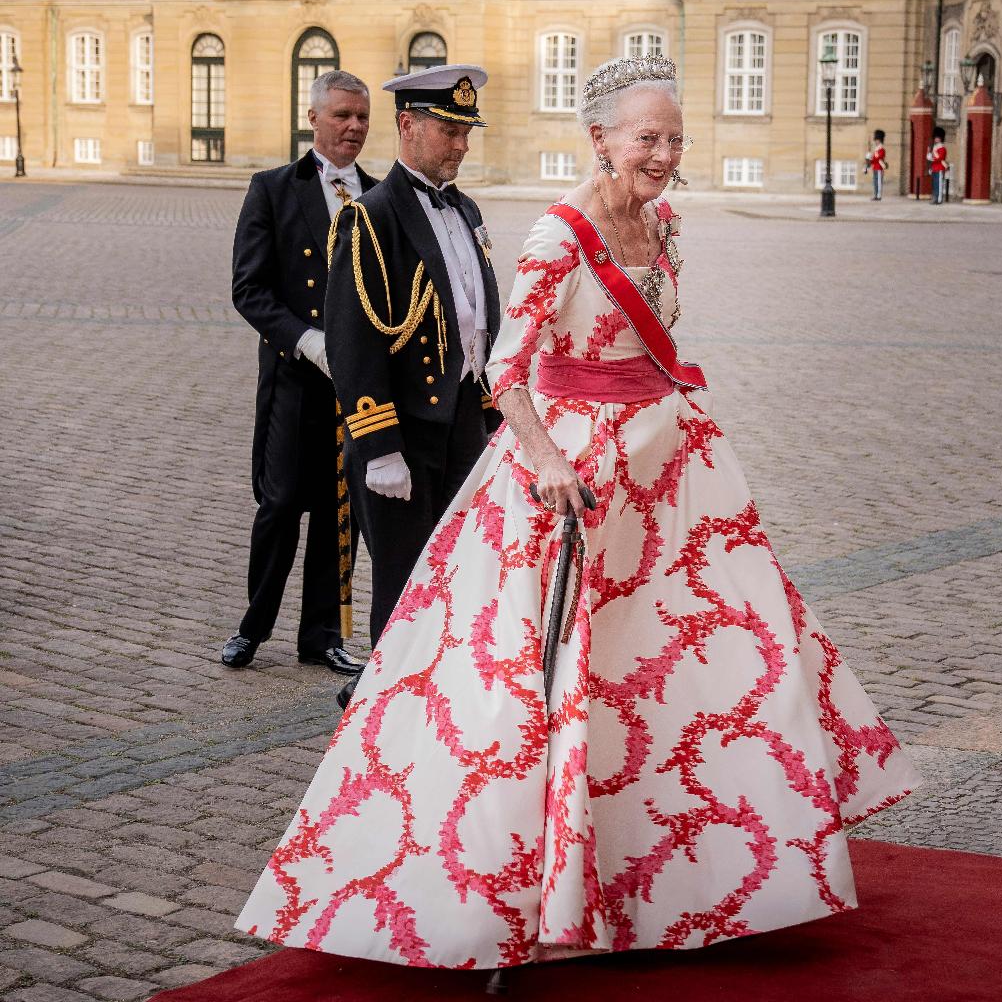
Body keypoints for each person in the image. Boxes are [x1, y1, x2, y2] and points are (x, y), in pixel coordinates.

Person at [237, 54, 917, 973]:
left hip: (669, 468)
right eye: (648, 138)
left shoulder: (667, 227)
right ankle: (527, 882)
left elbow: (655, 336)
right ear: (600, 139)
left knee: (710, 654)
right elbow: (508, 369)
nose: (665, 154)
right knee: (547, 677)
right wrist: (547, 459)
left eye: (675, 138)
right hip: (576, 476)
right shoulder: (557, 236)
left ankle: (700, 874)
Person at [323, 64, 502, 688]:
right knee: (403, 578)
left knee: (460, 569)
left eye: (465, 131)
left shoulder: (467, 208)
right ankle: (388, 702)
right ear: (408, 126)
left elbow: (478, 315)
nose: (461, 144)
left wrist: (493, 411)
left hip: (461, 424)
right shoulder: (370, 217)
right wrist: (377, 447)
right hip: (402, 431)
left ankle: (441, 694)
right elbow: (354, 344)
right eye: (450, 130)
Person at [222, 71, 375, 677]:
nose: (354, 127)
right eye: (341, 115)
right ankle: (253, 626)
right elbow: (249, 290)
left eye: (362, 117)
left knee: (340, 509)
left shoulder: (381, 195)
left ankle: (322, 636)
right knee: (282, 504)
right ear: (312, 117)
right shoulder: (273, 190)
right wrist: (310, 342)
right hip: (294, 377)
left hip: (357, 386)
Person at [864, 128, 887, 201]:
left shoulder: (881, 149)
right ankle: (875, 195)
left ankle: (879, 195)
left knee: (879, 183)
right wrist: (869, 159)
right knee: (875, 182)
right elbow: (874, 159)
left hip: (879, 168)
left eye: (877, 140)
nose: (876, 141)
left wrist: (871, 158)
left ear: (880, 140)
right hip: (875, 168)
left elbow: (878, 158)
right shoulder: (876, 150)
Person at [928, 126, 949, 205]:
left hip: (940, 167)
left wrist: (932, 158)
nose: (936, 139)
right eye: (935, 137)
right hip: (934, 168)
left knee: (939, 185)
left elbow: (940, 158)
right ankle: (935, 198)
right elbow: (931, 158)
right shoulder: (934, 147)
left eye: (938, 137)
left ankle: (939, 199)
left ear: (941, 138)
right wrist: (929, 155)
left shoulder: (942, 148)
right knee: (935, 185)